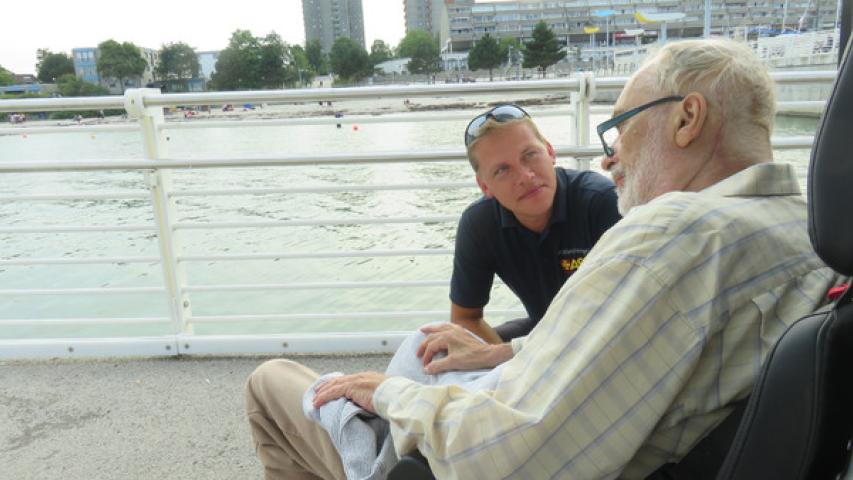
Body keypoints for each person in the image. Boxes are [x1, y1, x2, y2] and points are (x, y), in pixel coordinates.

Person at [245, 38, 845, 479]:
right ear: (485, 185)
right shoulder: (810, 237)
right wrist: (501, 356)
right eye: (502, 170)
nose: (609, 158)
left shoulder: (674, 233)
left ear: (687, 118)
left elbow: (507, 454)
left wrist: (389, 395)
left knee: (270, 384)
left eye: (622, 127)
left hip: (482, 457)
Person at [451, 104, 621, 344]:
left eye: (530, 155)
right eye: (502, 170)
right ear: (485, 186)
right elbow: (465, 319)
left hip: (607, 334)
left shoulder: (603, 203)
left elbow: (635, 312)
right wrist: (507, 360)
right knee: (434, 345)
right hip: (544, 328)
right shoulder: (479, 224)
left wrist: (513, 357)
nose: (525, 177)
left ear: (550, 152)